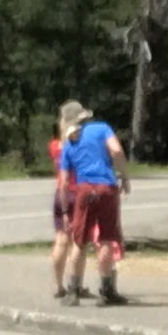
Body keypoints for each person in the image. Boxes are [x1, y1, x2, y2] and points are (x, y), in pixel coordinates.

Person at [59, 106, 128, 307]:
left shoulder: (68, 144)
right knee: (106, 238)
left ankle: (73, 290)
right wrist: (124, 176)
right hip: (107, 188)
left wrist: (65, 211)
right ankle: (107, 291)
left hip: (84, 190)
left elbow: (64, 183)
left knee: (79, 241)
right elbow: (117, 150)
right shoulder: (102, 128)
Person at [49, 107, 81, 301]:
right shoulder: (77, 146)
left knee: (61, 239)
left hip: (60, 192)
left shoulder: (54, 146)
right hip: (77, 191)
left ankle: (58, 284)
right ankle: (76, 284)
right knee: (78, 241)